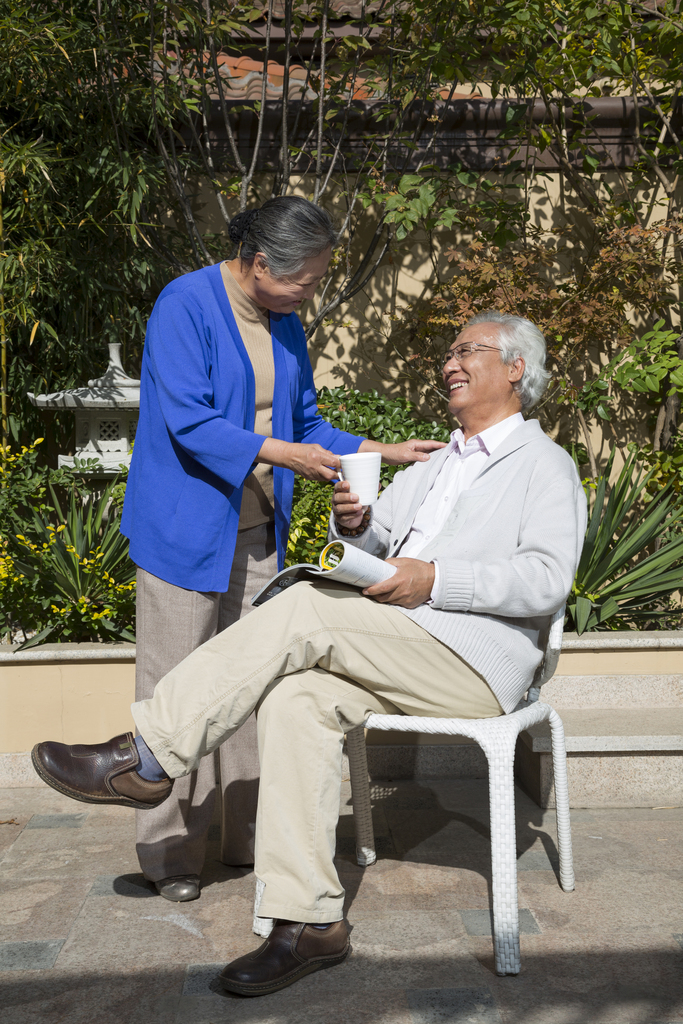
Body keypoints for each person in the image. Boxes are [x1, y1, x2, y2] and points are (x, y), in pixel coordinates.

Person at [33, 310, 587, 996]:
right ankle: (308, 923)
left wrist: (435, 578)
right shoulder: (436, 462)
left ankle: (145, 755)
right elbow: (376, 547)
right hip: (402, 646)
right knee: (297, 700)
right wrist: (355, 525)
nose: (449, 362)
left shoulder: (542, 464)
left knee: (300, 606)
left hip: (475, 661)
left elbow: (545, 580)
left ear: (514, 369)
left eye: (466, 350)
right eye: (447, 351)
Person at [118, 196, 444, 902]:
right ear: (259, 261)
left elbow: (307, 423)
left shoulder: (285, 322)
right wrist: (281, 453)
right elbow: (186, 420)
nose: (311, 293)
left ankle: (241, 841)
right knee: (174, 690)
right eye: (306, 280)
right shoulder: (186, 303)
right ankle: (171, 854)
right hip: (182, 529)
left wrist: (382, 449)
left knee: (247, 687)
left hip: (256, 530)